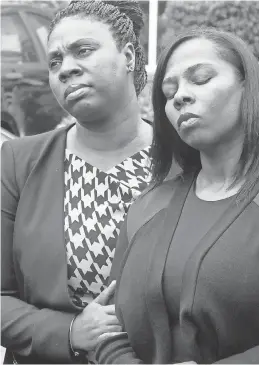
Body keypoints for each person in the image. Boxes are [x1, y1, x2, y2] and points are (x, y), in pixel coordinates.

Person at [95, 28, 259, 364]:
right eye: (168, 93)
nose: (180, 97)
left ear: (247, 86)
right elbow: (108, 324)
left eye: (200, 78)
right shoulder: (147, 205)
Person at [1, 1, 152, 363]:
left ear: (128, 56)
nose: (67, 68)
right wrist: (70, 332)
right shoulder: (18, 163)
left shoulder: (185, 163)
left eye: (83, 50)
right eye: (55, 61)